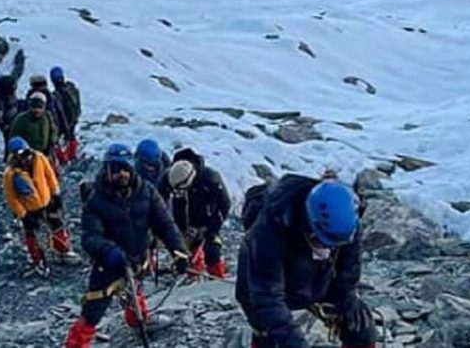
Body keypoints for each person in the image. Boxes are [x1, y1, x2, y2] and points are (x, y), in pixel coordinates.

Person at [64, 144, 189, 348]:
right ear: (108, 170)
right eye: (117, 169)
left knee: (135, 290)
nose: (122, 174)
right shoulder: (96, 199)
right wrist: (108, 250)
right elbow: (89, 237)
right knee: (93, 310)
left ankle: (139, 321)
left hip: (137, 256)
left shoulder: (147, 192)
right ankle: (75, 344)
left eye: (125, 169)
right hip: (109, 263)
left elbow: (165, 225)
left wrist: (179, 252)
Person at [235, 174, 376, 348]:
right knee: (268, 332)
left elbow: (349, 269)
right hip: (262, 285)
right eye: (322, 242)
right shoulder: (268, 232)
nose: (329, 249)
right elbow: (267, 297)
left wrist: (346, 299)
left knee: (360, 327)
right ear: (309, 223)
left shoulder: (345, 222)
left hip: (318, 278)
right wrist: (293, 340)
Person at [2, 136, 78, 276]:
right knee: (33, 235)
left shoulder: (39, 158)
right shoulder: (10, 175)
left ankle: (63, 251)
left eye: (27, 153)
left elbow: (50, 176)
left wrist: (56, 194)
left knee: (57, 225)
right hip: (29, 210)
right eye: (22, 156)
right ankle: (38, 261)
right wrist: (24, 216)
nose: (27, 158)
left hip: (47, 201)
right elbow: (12, 199)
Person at [159, 147, 231, 278]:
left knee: (212, 249)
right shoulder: (168, 177)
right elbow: (158, 201)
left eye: (180, 189)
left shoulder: (211, 179)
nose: (176, 191)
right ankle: (192, 272)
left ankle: (216, 275)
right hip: (181, 212)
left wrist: (212, 228)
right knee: (185, 245)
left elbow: (224, 205)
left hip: (207, 214)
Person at [28, 73, 75, 164]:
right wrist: (67, 132)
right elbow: (61, 114)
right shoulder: (52, 98)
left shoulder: (29, 100)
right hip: (52, 133)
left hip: (32, 137)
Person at [9, 92, 57, 163]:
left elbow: (53, 134)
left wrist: (50, 152)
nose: (36, 110)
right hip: (26, 157)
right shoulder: (21, 120)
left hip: (45, 155)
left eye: (40, 107)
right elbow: (14, 138)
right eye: (34, 107)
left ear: (44, 107)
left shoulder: (48, 117)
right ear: (29, 106)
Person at [50, 66, 81, 160]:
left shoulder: (55, 95)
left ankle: (63, 158)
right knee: (71, 137)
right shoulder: (71, 88)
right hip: (73, 119)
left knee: (58, 141)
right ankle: (72, 156)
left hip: (63, 123)